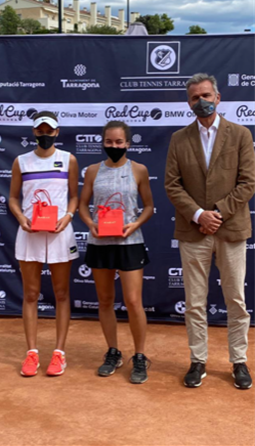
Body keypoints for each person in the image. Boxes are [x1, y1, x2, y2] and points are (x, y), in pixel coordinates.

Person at [165, 73, 255, 389]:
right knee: (195, 302)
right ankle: (198, 360)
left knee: (236, 299)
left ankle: (239, 361)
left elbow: (248, 182)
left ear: (217, 97)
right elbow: (172, 185)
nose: (201, 102)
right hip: (194, 231)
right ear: (188, 103)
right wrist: (199, 215)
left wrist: (217, 213)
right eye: (194, 98)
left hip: (231, 229)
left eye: (206, 95)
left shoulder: (241, 134)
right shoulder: (178, 139)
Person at [79, 120, 154, 384]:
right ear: (103, 142)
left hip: (130, 242)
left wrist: (135, 223)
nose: (114, 146)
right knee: (105, 301)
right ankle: (113, 352)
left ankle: (141, 355)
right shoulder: (91, 171)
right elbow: (82, 205)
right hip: (100, 242)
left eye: (119, 142)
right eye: (109, 142)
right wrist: (91, 225)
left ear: (128, 143)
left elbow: (148, 206)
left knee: (133, 302)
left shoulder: (139, 170)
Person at [9, 111, 79, 377]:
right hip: (29, 233)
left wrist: (68, 216)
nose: (45, 135)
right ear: (34, 132)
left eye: (50, 131)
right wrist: (20, 216)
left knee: (61, 294)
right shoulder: (21, 162)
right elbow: (13, 198)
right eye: (40, 131)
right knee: (30, 294)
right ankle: (32, 353)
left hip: (60, 233)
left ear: (57, 132)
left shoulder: (68, 160)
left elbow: (74, 197)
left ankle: (59, 353)